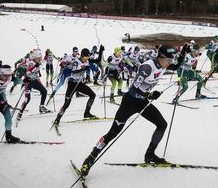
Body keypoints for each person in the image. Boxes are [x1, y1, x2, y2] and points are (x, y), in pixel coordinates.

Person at [80, 44, 187, 176]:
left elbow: (176, 66)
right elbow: (135, 88)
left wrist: (183, 53)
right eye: (168, 60)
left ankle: (150, 155)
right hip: (129, 102)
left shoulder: (164, 65)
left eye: (171, 60)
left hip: (142, 102)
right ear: (161, 57)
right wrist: (150, 95)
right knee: (113, 133)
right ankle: (89, 159)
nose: (170, 63)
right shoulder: (147, 67)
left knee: (162, 124)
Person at [53, 46, 104, 126]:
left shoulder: (87, 60)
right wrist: (83, 69)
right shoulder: (76, 61)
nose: (87, 59)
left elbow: (97, 60)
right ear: (82, 56)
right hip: (72, 83)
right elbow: (74, 71)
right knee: (67, 103)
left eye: (88, 57)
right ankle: (58, 118)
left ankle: (86, 113)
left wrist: (101, 51)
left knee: (92, 95)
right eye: (86, 57)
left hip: (79, 83)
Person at [16, 49, 50, 125]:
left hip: (35, 80)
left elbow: (44, 61)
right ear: (34, 57)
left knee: (44, 91)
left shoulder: (38, 61)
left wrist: (46, 55)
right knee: (27, 99)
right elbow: (25, 71)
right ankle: (20, 112)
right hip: (28, 82)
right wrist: (33, 68)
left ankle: (41, 107)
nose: (39, 59)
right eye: (38, 58)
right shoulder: (30, 63)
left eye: (40, 58)